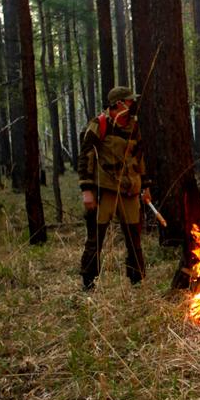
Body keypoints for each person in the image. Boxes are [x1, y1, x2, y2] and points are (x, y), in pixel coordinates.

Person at [78, 86, 152, 290]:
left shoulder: (133, 126)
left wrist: (145, 186)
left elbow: (139, 158)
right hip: (104, 191)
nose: (132, 104)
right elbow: (85, 157)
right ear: (118, 104)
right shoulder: (99, 124)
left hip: (130, 191)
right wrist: (86, 190)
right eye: (128, 101)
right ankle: (88, 283)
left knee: (134, 239)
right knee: (96, 238)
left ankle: (138, 282)